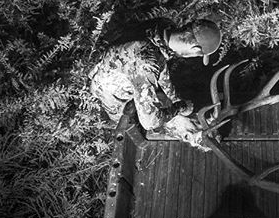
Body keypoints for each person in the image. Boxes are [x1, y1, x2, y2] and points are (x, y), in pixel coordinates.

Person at [88, 17, 222, 133]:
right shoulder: (146, 63)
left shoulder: (163, 25)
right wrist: (179, 108)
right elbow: (150, 122)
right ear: (195, 49)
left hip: (116, 63)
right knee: (124, 124)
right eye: (197, 55)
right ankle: (107, 124)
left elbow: (161, 63)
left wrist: (175, 99)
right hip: (109, 90)